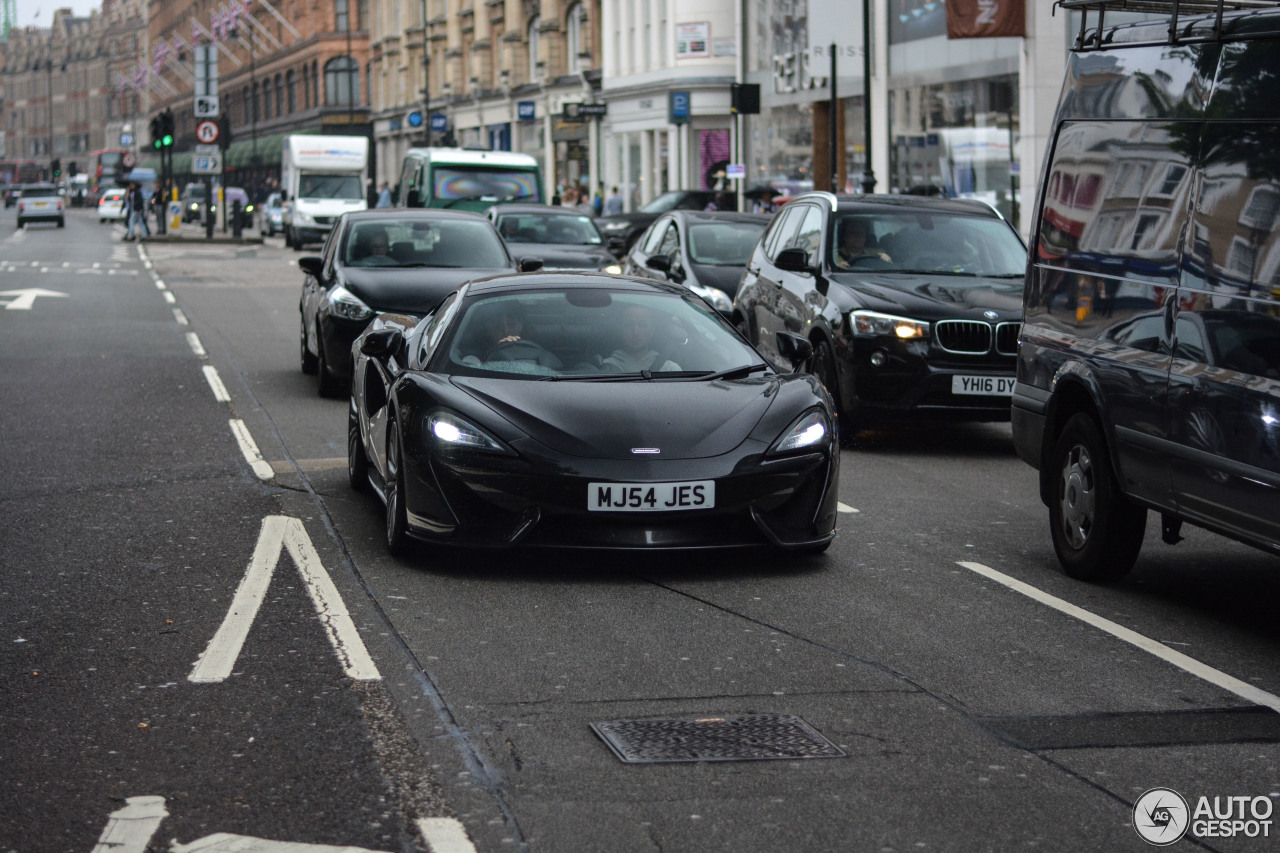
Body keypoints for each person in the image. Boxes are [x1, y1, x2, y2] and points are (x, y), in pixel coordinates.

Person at [462, 300, 562, 369]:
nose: (506, 331)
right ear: (486, 329)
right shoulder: (473, 357)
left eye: (512, 325)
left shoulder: (545, 354)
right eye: (498, 327)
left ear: (521, 326)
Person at [602, 305, 681, 373]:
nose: (636, 332)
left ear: (652, 330)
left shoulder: (670, 369)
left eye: (643, 325)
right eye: (629, 325)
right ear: (620, 329)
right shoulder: (603, 369)